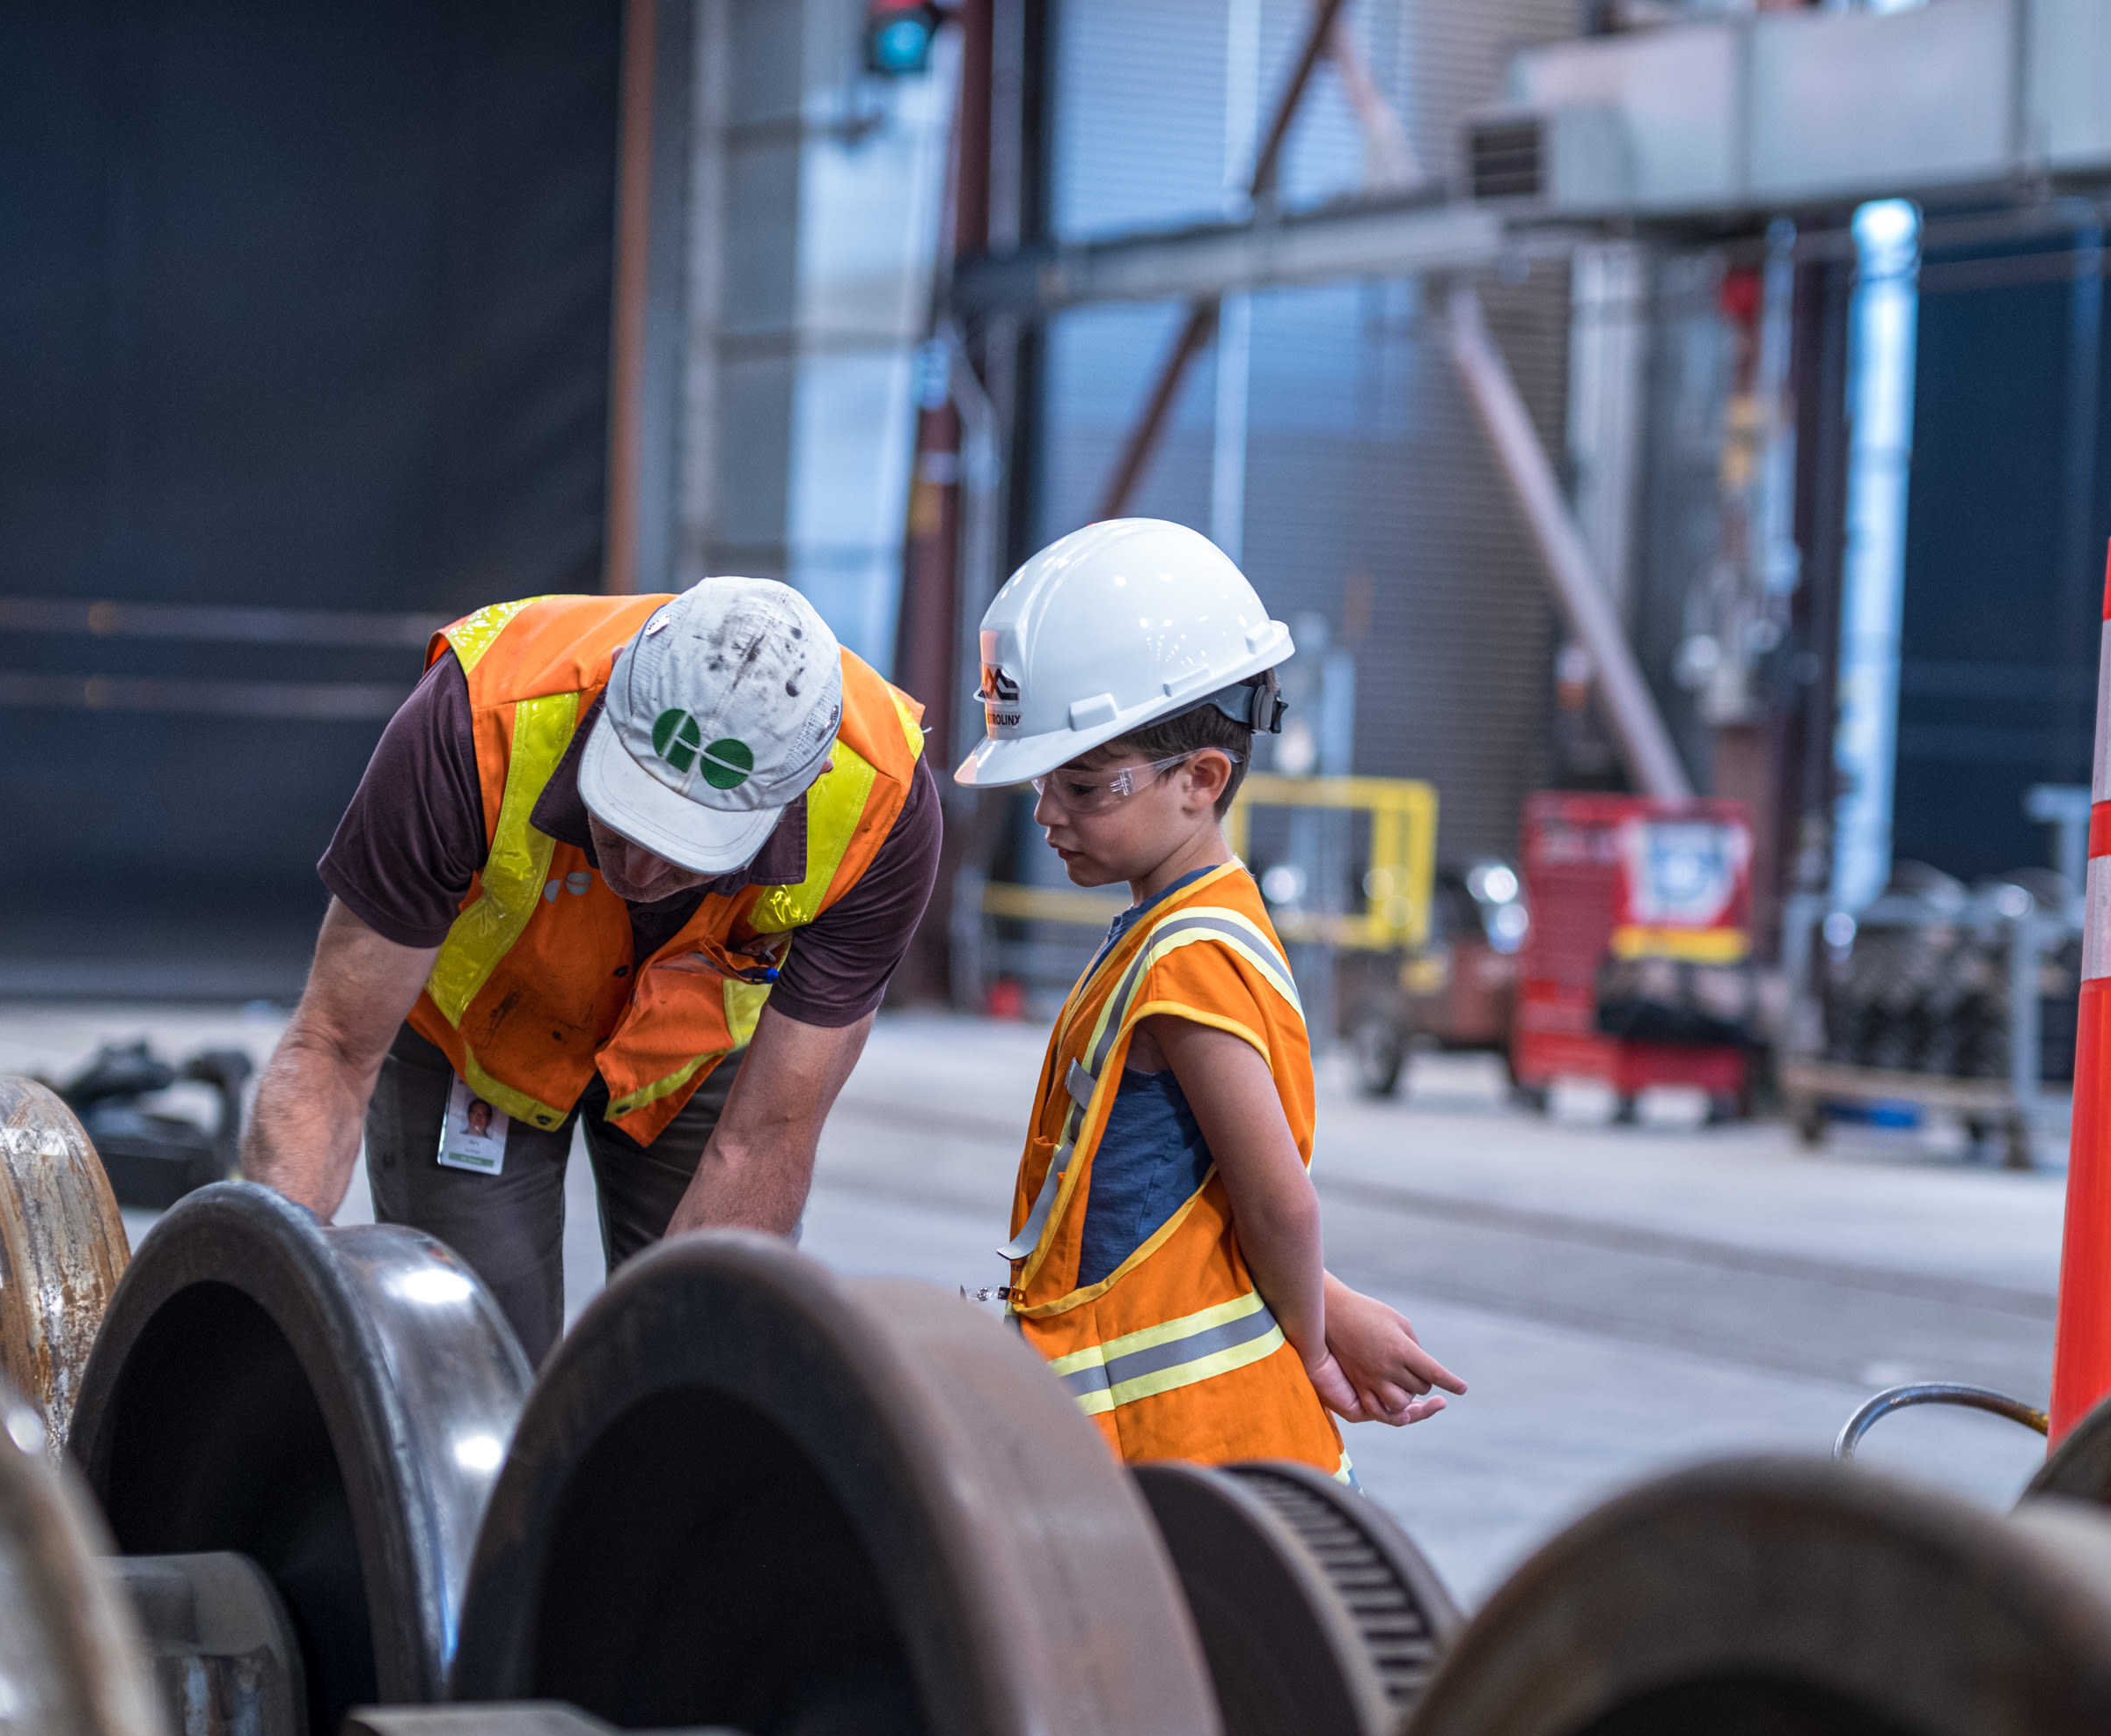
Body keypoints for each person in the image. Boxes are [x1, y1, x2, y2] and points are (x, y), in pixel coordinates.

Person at [242, 578, 942, 1363]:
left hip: (692, 1057)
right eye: (628, 804)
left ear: (794, 798)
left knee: (695, 1369)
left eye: (688, 845)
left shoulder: (880, 807)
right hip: (479, 1042)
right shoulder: (478, 716)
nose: (640, 866)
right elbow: (336, 1047)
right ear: (611, 690)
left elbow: (767, 1137)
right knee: (476, 1365)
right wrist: (265, 1312)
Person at [956, 518, 1463, 1474]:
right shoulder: (1173, 928)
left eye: (1083, 785)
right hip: (1175, 1457)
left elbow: (1283, 1208)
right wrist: (1336, 1300)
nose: (1047, 812)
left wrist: (1311, 1346)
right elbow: (1202, 1193)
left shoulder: (1187, 961)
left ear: (1201, 779)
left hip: (1195, 1455)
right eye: (1040, 782)